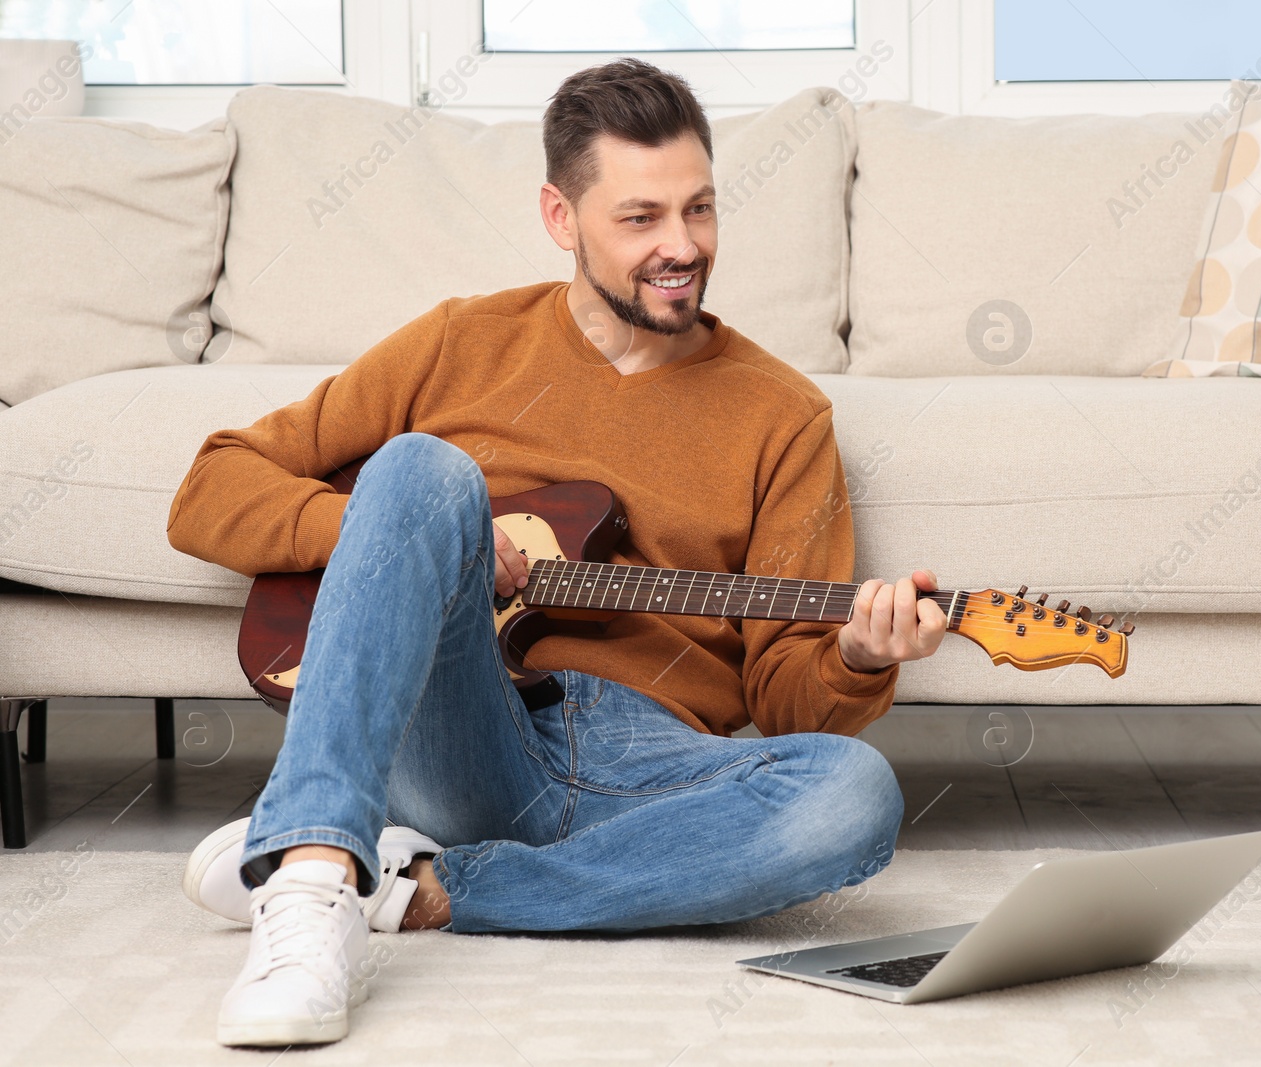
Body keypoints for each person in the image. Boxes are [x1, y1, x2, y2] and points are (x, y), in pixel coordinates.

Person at [166, 57, 946, 1048]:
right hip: (465, 726)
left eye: (699, 211)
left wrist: (858, 657)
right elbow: (212, 485)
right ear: (559, 214)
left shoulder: (784, 415)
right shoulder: (459, 341)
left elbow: (785, 690)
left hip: (652, 765)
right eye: (640, 218)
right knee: (418, 467)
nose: (681, 246)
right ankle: (315, 879)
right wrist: (417, 535)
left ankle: (418, 890)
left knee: (856, 794)